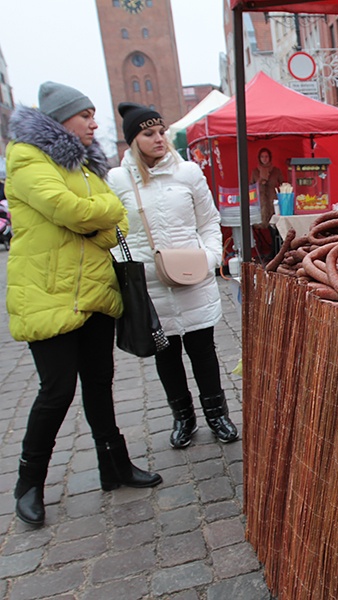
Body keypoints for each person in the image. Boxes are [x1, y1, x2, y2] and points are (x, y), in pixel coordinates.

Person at [5, 82, 162, 526]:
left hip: (94, 293)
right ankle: (28, 483)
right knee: (56, 391)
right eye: (85, 115)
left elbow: (119, 226)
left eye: (95, 115)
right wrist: (100, 215)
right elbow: (68, 209)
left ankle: (114, 466)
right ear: (60, 120)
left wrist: (98, 218)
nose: (95, 123)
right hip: (47, 295)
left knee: (99, 384)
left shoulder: (89, 168)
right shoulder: (27, 158)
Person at [107, 102, 239, 450]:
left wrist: (211, 256)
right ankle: (183, 417)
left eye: (161, 131)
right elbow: (111, 231)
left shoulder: (188, 172)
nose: (159, 138)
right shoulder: (118, 180)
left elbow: (209, 220)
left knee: (203, 350)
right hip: (149, 286)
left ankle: (217, 415)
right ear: (134, 139)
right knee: (165, 355)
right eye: (149, 133)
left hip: (192, 277)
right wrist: (126, 266)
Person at [249, 147, 284, 260]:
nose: (264, 159)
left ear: (270, 158)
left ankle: (277, 251)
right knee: (264, 228)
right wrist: (260, 180)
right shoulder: (255, 172)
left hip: (274, 204)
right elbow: (251, 188)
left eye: (266, 156)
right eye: (262, 157)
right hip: (261, 205)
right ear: (259, 158)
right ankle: (269, 252)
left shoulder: (276, 171)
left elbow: (284, 185)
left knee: (275, 229)